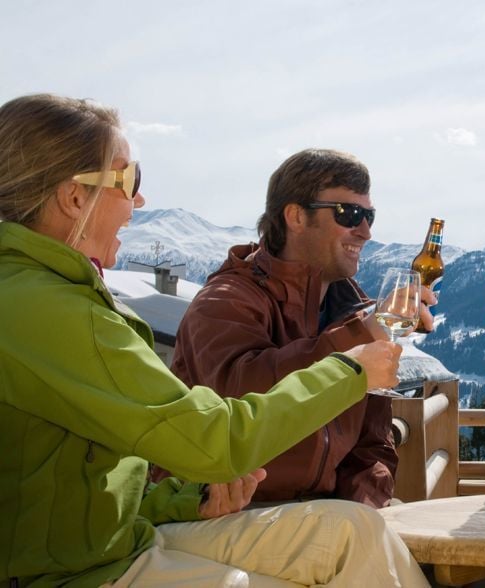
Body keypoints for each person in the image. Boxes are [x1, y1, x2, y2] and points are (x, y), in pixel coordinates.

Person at [0, 94, 428, 587]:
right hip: (74, 573)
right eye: (128, 180)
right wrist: (351, 366)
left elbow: (81, 481)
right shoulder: (50, 311)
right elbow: (217, 433)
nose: (139, 201)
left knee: (354, 530)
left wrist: (191, 498)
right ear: (74, 197)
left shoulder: (57, 298)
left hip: (120, 542)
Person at [163, 149, 434, 508]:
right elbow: (240, 399)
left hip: (316, 513)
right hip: (225, 508)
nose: (366, 231)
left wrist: (365, 507)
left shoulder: (349, 308)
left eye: (369, 215)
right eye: (349, 214)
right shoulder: (226, 300)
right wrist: (361, 337)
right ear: (295, 216)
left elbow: (373, 444)